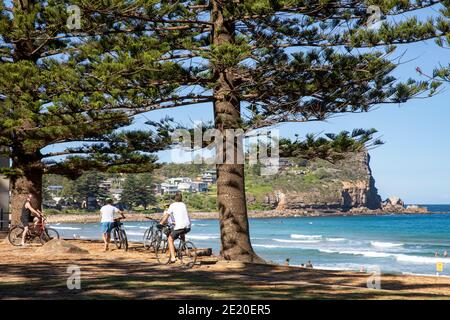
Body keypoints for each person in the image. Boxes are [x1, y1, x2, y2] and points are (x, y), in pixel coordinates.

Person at [160, 193, 191, 263]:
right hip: (188, 226)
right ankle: (184, 248)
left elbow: (167, 215)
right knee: (182, 233)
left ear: (174, 199)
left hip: (180, 226)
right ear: (181, 198)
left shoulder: (173, 205)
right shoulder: (183, 205)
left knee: (170, 239)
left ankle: (173, 258)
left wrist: (161, 223)